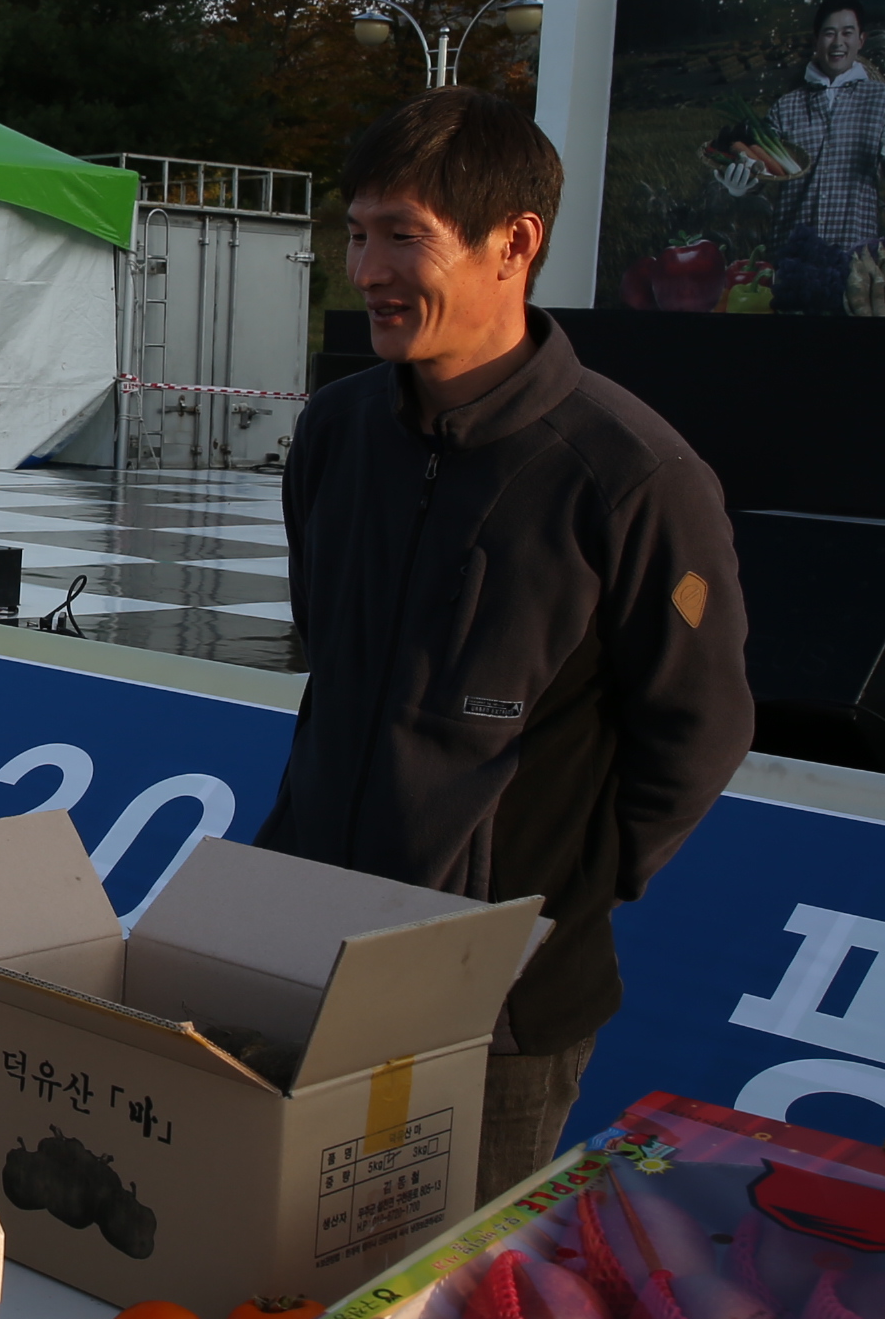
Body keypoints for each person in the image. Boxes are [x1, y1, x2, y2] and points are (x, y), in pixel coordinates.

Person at [258, 89, 754, 1200]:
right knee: (275, 1290)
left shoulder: (630, 475)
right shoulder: (337, 431)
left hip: (500, 1009)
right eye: (357, 232)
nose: (367, 269)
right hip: (308, 954)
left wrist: (564, 892)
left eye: (403, 237)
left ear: (515, 244)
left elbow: (700, 728)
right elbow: (326, 650)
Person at [730, 0, 885, 314]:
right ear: (816, 40)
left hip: (855, 257)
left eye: (847, 32)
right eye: (829, 33)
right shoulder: (786, 107)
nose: (838, 41)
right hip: (791, 255)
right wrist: (741, 183)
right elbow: (763, 174)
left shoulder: (884, 99)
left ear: (861, 40)